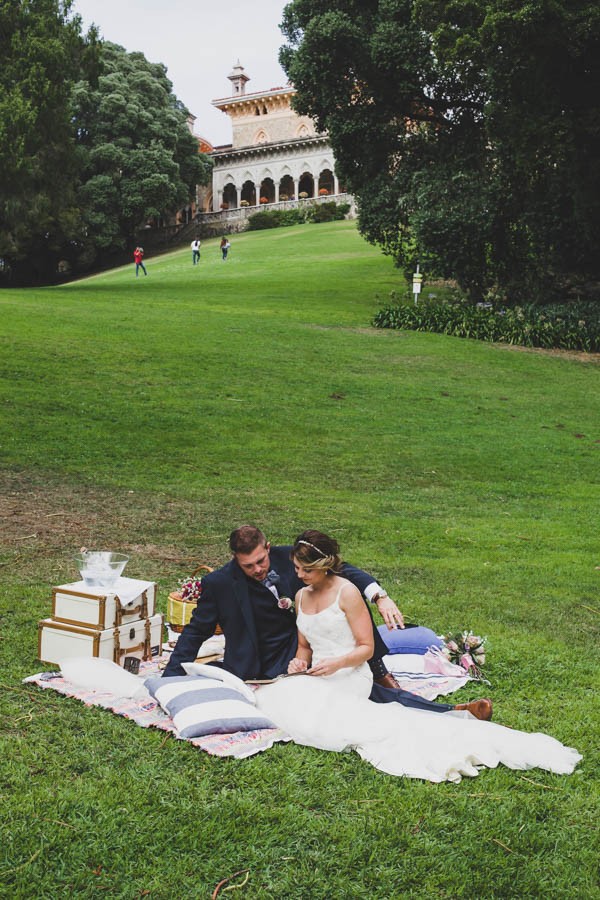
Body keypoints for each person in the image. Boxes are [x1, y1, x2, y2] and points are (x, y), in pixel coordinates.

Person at [253, 531, 582, 782]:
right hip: (319, 672)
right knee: (279, 698)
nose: (297, 575)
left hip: (350, 672)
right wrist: (300, 663)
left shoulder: (347, 593)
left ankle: (457, 720)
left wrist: (336, 664)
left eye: (304, 571)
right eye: (296, 569)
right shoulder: (299, 596)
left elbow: (366, 648)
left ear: (323, 568)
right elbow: (305, 647)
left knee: (350, 720)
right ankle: (455, 712)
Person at [162, 526, 492, 719]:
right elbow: (196, 631)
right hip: (265, 663)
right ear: (236, 559)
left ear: (267, 547)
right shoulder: (219, 584)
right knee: (354, 698)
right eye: (248, 566)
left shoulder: (290, 557)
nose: (258, 569)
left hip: (305, 645)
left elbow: (342, 571)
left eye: (261, 560)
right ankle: (451, 711)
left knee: (348, 600)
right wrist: (170, 680)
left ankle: (382, 672)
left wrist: (380, 596)